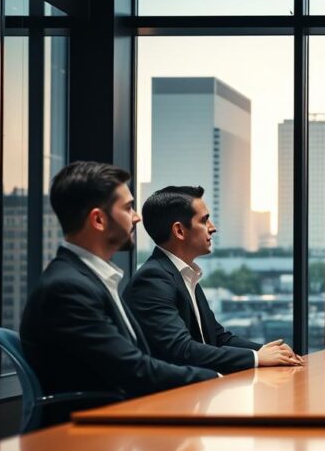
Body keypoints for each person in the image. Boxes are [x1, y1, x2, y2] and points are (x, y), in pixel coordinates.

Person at [21, 162, 217, 399]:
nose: (136, 218)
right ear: (99, 220)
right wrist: (216, 378)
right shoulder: (67, 289)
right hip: (95, 429)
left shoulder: (90, 279)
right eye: (128, 208)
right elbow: (135, 371)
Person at [125, 186, 302, 374]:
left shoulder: (186, 274)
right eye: (204, 220)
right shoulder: (153, 280)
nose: (213, 227)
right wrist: (257, 358)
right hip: (170, 399)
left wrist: (268, 351)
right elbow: (181, 350)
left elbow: (217, 337)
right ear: (179, 231)